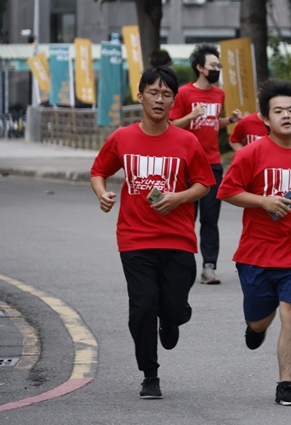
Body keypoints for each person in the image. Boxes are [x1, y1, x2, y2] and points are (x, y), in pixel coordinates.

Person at [90, 67, 216, 399]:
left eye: (166, 94)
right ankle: (150, 374)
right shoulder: (122, 138)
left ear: (174, 100)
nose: (159, 100)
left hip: (177, 238)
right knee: (143, 305)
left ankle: (172, 319)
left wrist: (179, 197)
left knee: (172, 308)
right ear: (140, 95)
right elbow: (99, 170)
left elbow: (205, 183)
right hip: (135, 238)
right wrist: (102, 193)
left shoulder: (186, 141)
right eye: (153, 92)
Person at [217, 81, 291, 406]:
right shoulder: (251, 153)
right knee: (259, 319)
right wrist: (263, 202)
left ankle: (286, 385)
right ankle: (255, 329)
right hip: (256, 253)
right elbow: (226, 191)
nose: (285, 116)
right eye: (278, 111)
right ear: (265, 118)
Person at [170, 44, 242, 285]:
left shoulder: (219, 94)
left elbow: (212, 123)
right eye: (213, 66)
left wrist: (228, 120)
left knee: (210, 218)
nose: (217, 70)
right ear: (200, 68)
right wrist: (191, 116)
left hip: (212, 163)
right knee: (187, 215)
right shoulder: (184, 94)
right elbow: (171, 126)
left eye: (218, 66)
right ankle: (180, 262)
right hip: (186, 164)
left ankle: (209, 267)